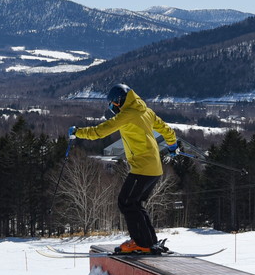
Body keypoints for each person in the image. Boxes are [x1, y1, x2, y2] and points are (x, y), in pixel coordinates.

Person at [70, 83, 179, 254]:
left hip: (142, 168)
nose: (113, 108)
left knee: (126, 202)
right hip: (154, 168)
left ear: (120, 101)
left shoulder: (127, 115)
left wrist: (78, 132)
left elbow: (100, 131)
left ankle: (141, 243)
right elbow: (166, 130)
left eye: (113, 104)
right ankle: (149, 241)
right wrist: (172, 146)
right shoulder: (146, 112)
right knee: (135, 203)